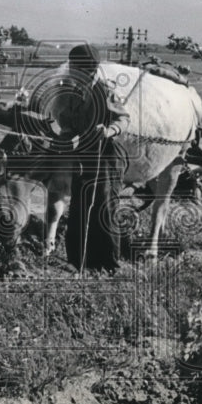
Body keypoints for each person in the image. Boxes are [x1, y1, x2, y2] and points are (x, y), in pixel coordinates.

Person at [56, 44, 130, 272]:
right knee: (79, 204)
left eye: (76, 67)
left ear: (89, 70)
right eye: (71, 66)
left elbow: (124, 119)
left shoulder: (105, 91)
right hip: (83, 154)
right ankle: (78, 261)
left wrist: (109, 130)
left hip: (106, 154)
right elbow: (65, 120)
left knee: (104, 206)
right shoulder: (69, 91)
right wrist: (66, 135)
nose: (71, 71)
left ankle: (109, 264)